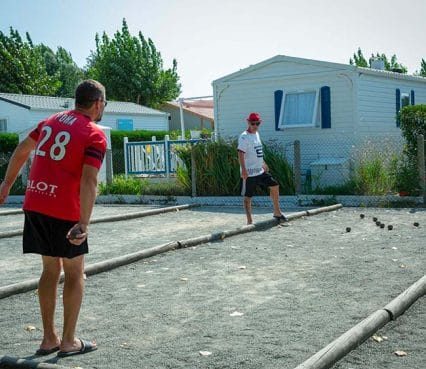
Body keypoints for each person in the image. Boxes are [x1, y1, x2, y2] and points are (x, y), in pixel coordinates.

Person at [0, 80, 107, 357]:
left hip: (36, 202)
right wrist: (84, 222)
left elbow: (24, 149)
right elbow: (89, 180)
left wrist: (6, 185)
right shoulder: (94, 134)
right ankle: (69, 341)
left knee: (50, 270)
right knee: (75, 272)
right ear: (97, 104)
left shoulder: (50, 121)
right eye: (103, 104)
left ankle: (49, 338)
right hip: (64, 211)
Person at [237, 112, 287, 225]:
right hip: (249, 173)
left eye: (257, 123)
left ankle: (277, 212)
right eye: (253, 123)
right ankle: (249, 221)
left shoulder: (257, 134)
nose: (255, 126)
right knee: (248, 197)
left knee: (275, 186)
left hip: (260, 170)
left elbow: (257, 151)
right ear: (248, 123)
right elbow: (240, 153)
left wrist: (263, 163)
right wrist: (244, 170)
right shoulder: (244, 137)